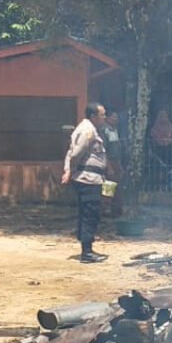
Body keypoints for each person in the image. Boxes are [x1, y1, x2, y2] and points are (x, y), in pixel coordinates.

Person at [62, 103, 108, 263]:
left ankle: (87, 248)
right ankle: (86, 253)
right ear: (93, 116)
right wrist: (69, 170)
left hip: (91, 178)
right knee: (90, 214)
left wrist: (68, 170)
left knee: (88, 213)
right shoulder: (88, 131)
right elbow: (75, 154)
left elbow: (70, 152)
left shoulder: (87, 128)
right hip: (88, 179)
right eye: (102, 115)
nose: (104, 118)